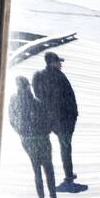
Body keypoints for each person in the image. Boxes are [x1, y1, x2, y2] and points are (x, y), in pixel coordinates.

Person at [9, 76, 60, 198]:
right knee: (48, 168)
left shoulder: (14, 101)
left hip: (27, 141)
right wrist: (46, 131)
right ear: (27, 87)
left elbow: (12, 120)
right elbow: (49, 120)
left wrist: (22, 134)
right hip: (42, 139)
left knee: (36, 170)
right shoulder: (36, 102)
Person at [33, 51, 79, 190]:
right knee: (65, 147)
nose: (61, 64)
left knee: (47, 149)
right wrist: (73, 115)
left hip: (47, 120)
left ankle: (47, 176)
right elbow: (68, 98)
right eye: (59, 62)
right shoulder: (59, 76)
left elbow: (38, 96)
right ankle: (68, 174)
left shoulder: (38, 76)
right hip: (63, 120)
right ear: (52, 62)